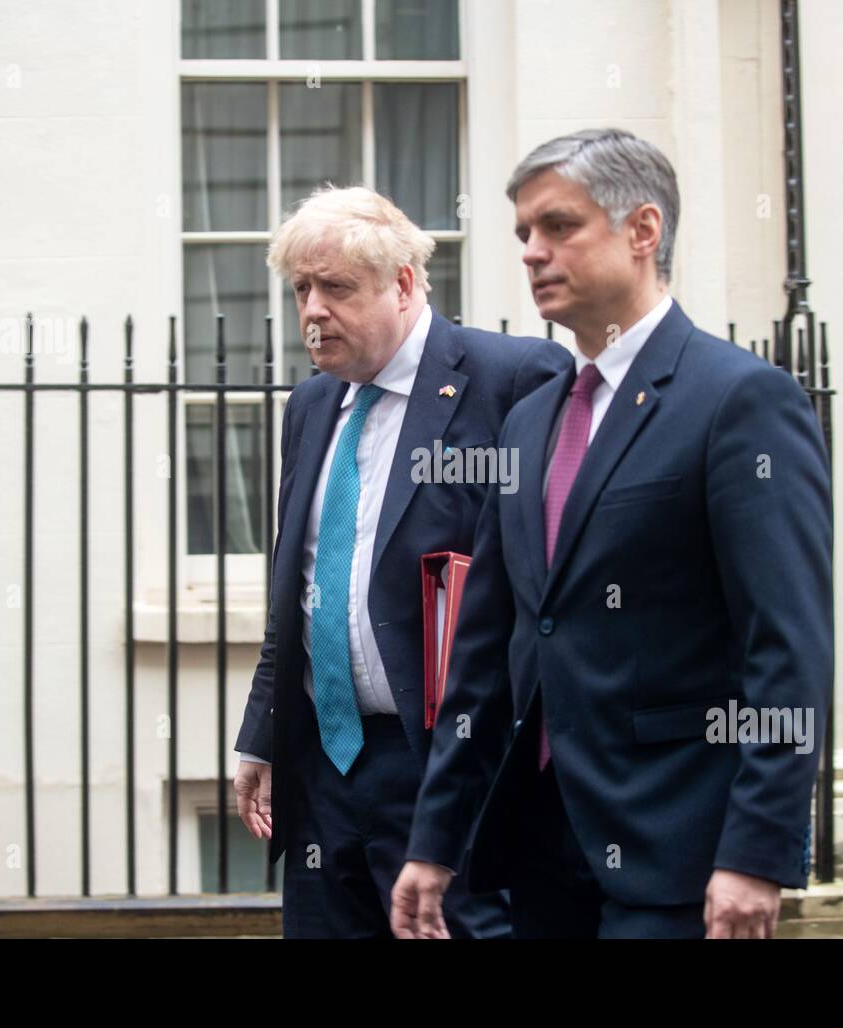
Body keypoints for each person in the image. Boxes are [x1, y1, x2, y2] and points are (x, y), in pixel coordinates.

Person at [390, 128, 833, 939]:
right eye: (524, 232)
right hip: (539, 852)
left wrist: (757, 850)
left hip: (681, 858)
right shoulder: (528, 422)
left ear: (642, 231)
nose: (532, 252)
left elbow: (788, 647)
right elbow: (487, 653)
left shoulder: (741, 400)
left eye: (558, 226)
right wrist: (436, 839)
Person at [233, 185, 571, 938]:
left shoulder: (512, 377)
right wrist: (261, 734)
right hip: (323, 764)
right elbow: (299, 588)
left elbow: (541, 588)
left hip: (445, 762)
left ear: (406, 283)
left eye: (337, 287)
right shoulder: (311, 406)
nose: (313, 310)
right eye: (301, 289)